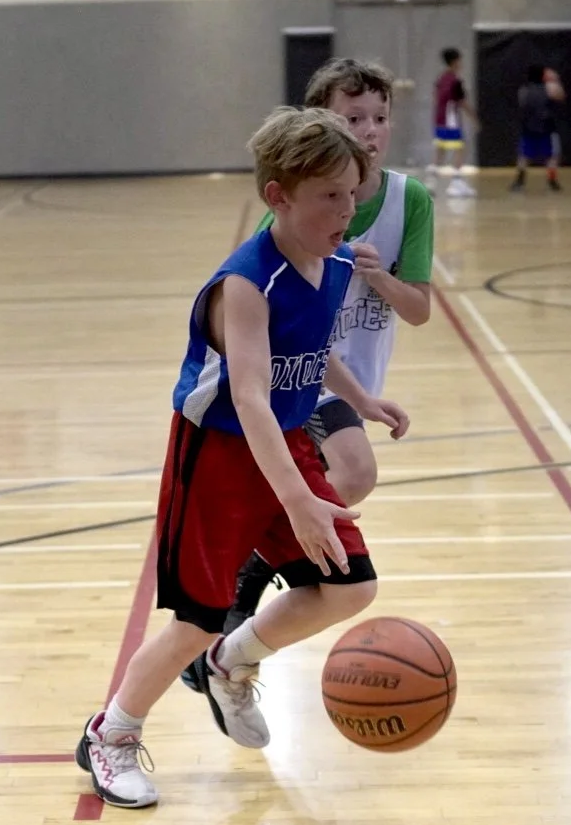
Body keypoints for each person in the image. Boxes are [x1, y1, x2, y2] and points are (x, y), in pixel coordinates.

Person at [75, 107, 410, 808]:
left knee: (350, 586)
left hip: (283, 444)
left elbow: (314, 356)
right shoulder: (247, 284)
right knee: (196, 615)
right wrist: (296, 500)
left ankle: (234, 660)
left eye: (353, 193)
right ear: (278, 197)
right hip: (220, 455)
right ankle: (111, 733)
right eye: (329, 196)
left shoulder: (338, 260)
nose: (348, 210)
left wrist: (365, 399)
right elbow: (251, 396)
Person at [179, 57, 434, 693]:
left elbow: (420, 310)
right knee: (352, 475)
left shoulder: (410, 201)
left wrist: (374, 273)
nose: (370, 130)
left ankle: (246, 596)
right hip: (298, 374)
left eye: (380, 118)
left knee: (335, 494)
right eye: (353, 119)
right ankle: (246, 587)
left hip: (344, 373)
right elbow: (258, 298)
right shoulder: (293, 212)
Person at [433, 48, 478, 198]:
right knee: (459, 149)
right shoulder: (456, 81)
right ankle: (456, 184)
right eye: (460, 60)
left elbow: (436, 96)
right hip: (451, 120)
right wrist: (474, 118)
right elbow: (463, 102)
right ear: (455, 61)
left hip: (439, 119)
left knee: (440, 150)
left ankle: (431, 183)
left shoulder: (441, 78)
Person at [511, 65, 563, 192]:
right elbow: (561, 96)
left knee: (524, 155)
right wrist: (555, 79)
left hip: (528, 127)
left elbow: (522, 105)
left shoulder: (523, 90)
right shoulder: (550, 87)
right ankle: (552, 181)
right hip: (547, 127)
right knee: (552, 155)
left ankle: (520, 181)